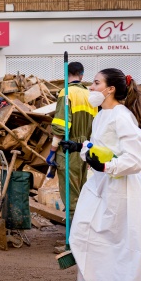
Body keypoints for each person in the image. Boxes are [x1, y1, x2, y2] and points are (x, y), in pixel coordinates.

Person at [60, 69, 141, 281]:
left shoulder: (122, 116)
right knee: (83, 234)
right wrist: (81, 147)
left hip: (122, 189)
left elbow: (134, 158)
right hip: (100, 184)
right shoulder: (102, 114)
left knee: (124, 244)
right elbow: (102, 147)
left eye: (96, 83)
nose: (91, 87)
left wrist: (107, 166)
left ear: (110, 89)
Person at [48, 62, 97, 254]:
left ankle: (73, 242)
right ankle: (81, 238)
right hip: (86, 149)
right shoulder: (89, 95)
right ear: (82, 76)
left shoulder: (66, 93)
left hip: (69, 150)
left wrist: (52, 151)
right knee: (82, 193)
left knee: (70, 196)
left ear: (66, 74)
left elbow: (61, 125)